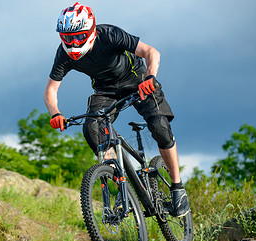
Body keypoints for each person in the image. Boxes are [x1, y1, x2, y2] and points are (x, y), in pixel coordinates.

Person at [44, 2, 190, 217]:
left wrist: (150, 77)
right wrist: (55, 113)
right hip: (105, 91)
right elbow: (51, 90)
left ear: (91, 30)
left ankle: (178, 188)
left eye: (78, 36)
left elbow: (151, 52)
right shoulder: (64, 54)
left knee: (160, 127)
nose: (73, 42)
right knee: (92, 129)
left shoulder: (109, 34)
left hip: (138, 81)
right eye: (67, 38)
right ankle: (121, 183)